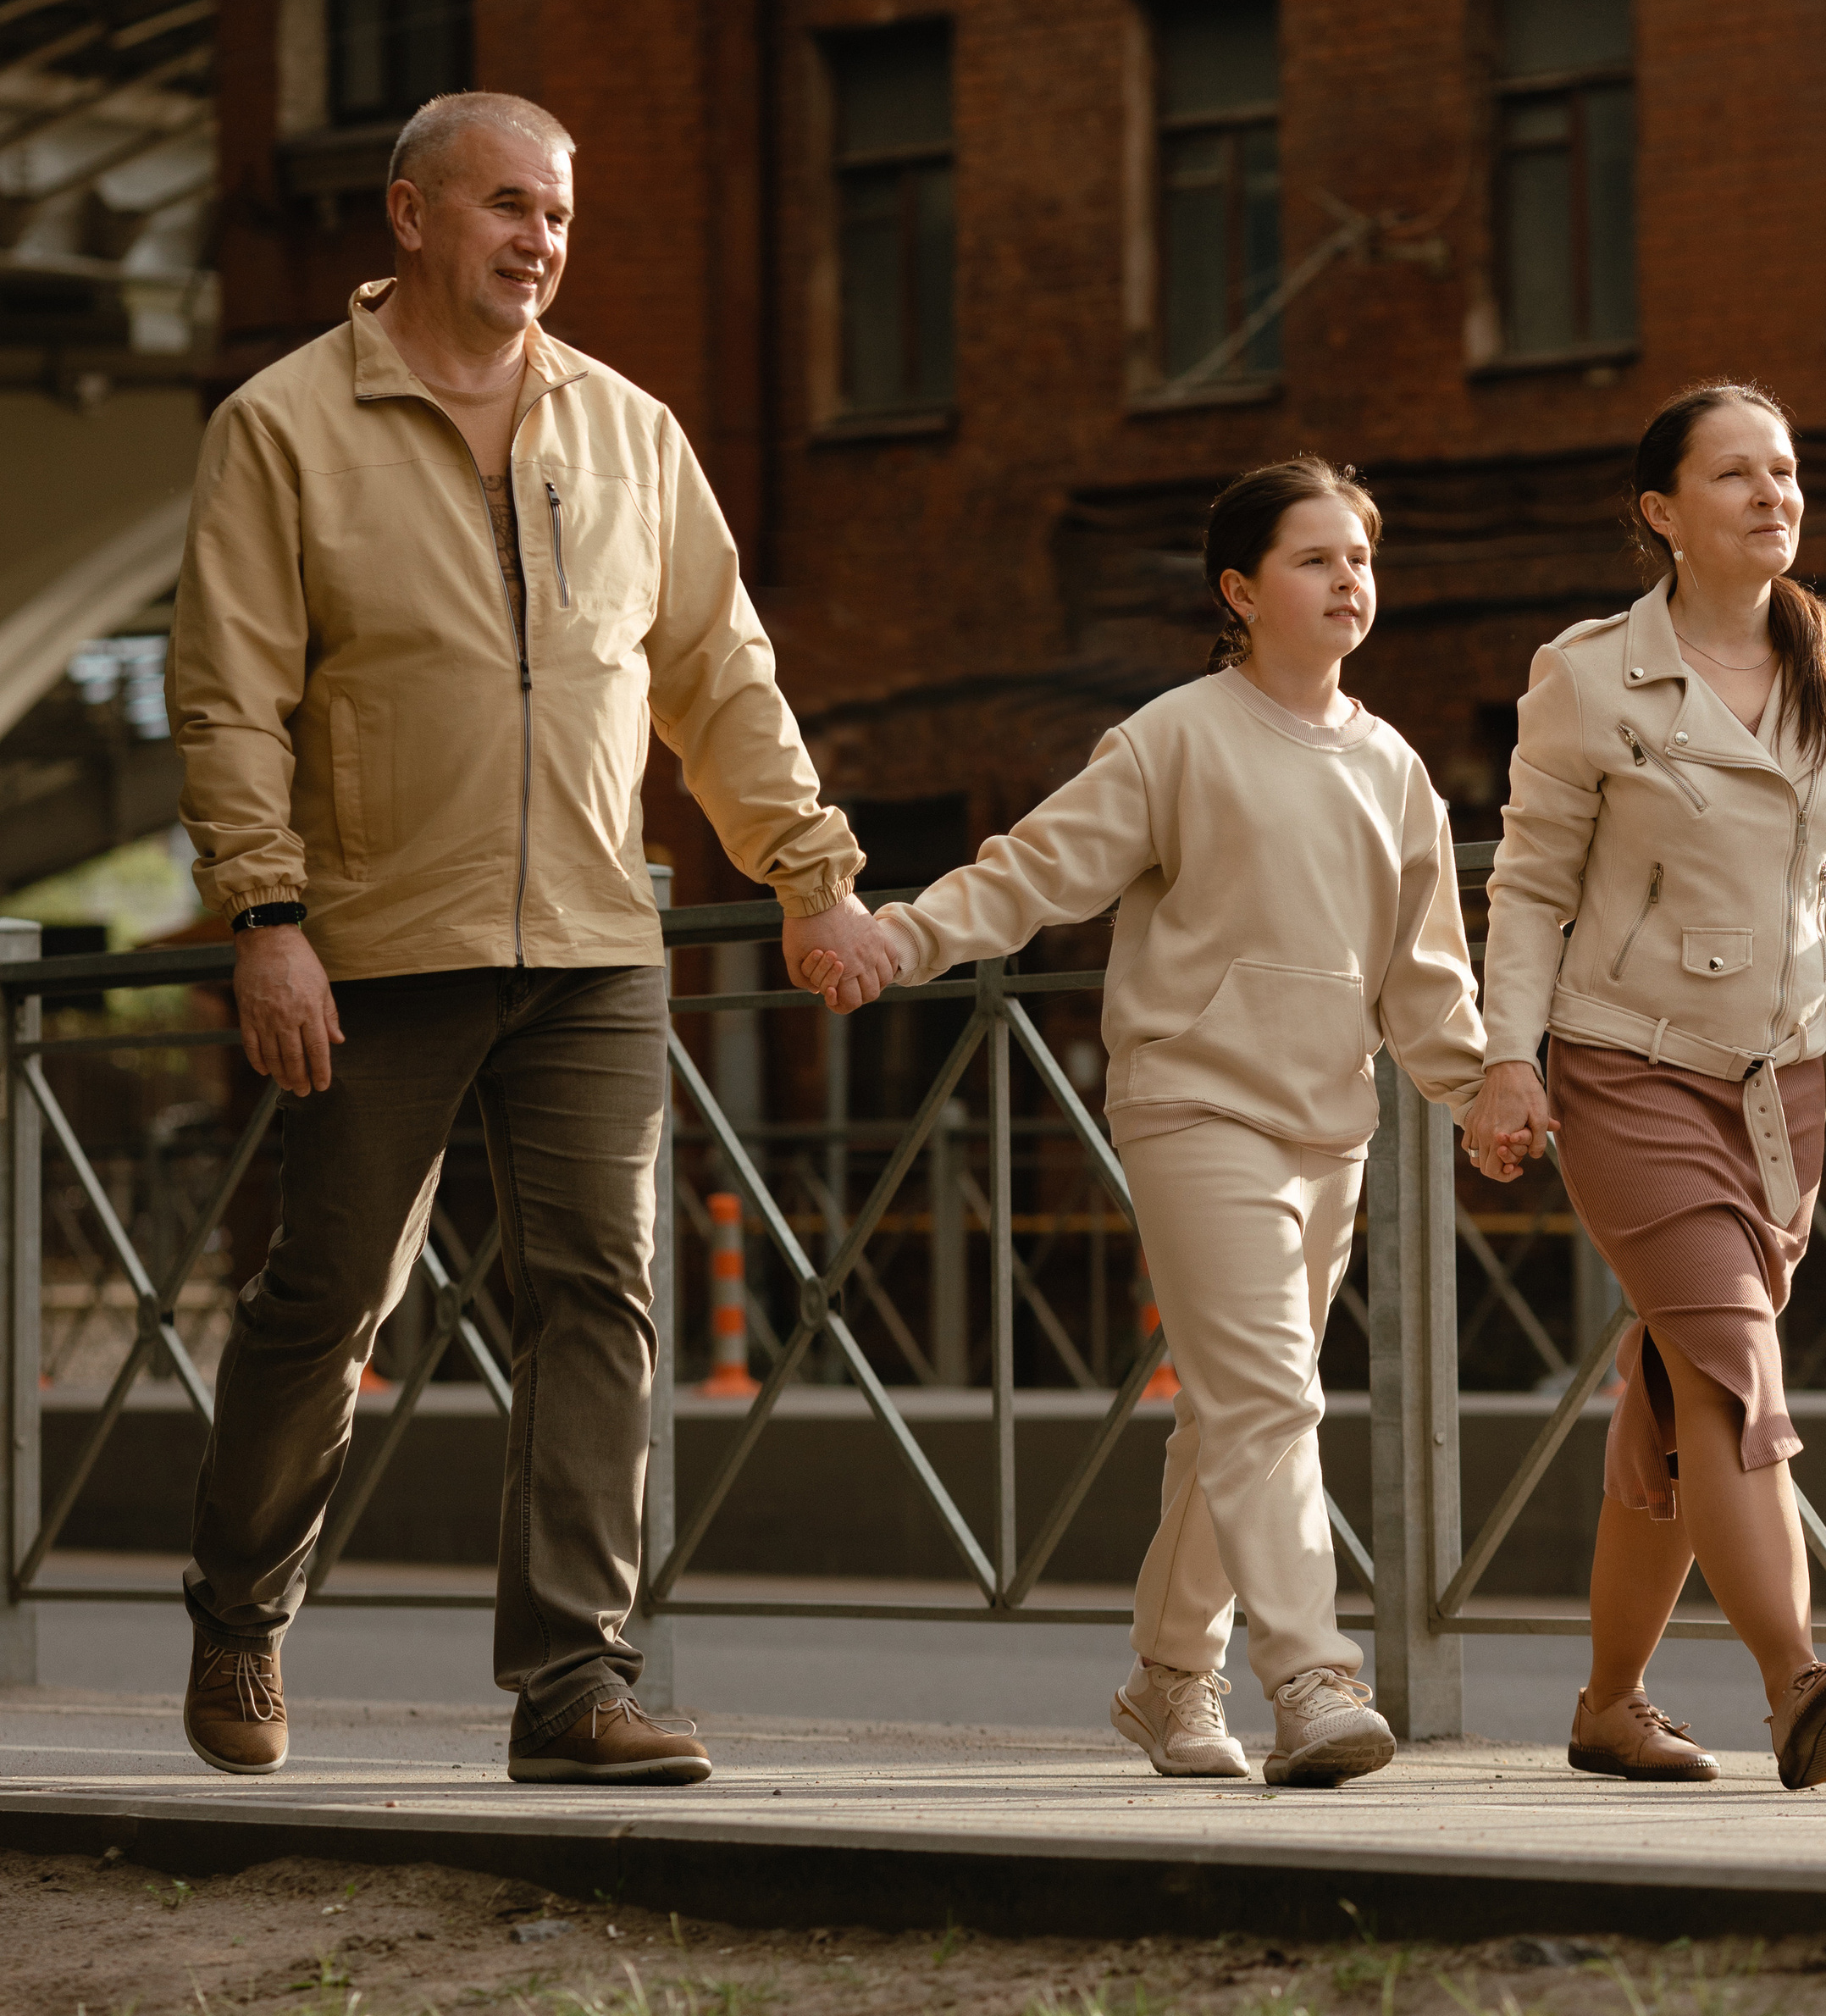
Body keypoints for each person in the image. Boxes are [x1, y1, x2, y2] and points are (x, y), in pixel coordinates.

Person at [167, 91, 893, 1786]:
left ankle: (573, 1685)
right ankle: (241, 1609)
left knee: (600, 1295)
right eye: (505, 206)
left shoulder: (627, 432)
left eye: (557, 215)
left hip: (591, 937)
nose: (538, 242)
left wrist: (810, 871)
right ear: (409, 214)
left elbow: (717, 671)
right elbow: (229, 693)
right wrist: (265, 916)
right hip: (372, 944)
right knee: (328, 1297)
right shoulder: (282, 426)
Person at [809, 456, 1485, 1787]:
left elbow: (1425, 969)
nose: (1350, 578)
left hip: (1328, 1123)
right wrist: (900, 936)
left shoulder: (1397, 765)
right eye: (1315, 558)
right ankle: (1313, 1672)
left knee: (1232, 1411)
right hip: (1194, 1101)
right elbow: (1034, 868)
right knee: (1272, 1393)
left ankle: (1172, 1677)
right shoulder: (1174, 735)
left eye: (1361, 557)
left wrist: (1484, 1089)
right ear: (1239, 591)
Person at [1469, 380, 1826, 1792]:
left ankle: (1611, 1701)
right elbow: (1531, 879)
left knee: (1675, 1391)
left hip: (1775, 1095)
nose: (1772, 493)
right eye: (1736, 474)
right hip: (1625, 1067)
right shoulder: (1594, 673)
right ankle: (1796, 1674)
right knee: (1731, 1358)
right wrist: (1505, 1057)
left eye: (1785, 470)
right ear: (1663, 512)